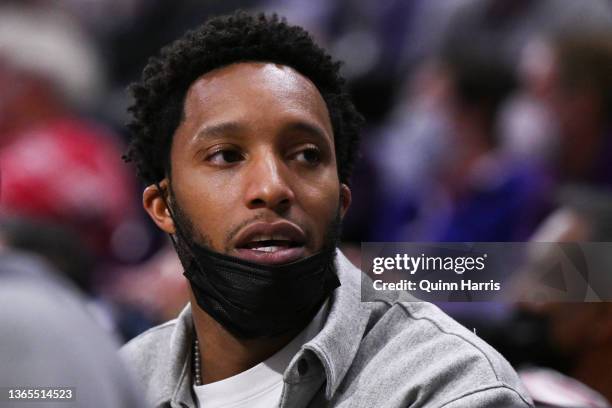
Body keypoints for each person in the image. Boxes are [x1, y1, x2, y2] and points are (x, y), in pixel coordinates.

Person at [119, 11, 532, 408]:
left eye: (305, 155)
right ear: (163, 207)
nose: (272, 187)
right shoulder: (120, 379)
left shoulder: (449, 387)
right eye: (226, 156)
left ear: (342, 200)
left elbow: (561, 277)